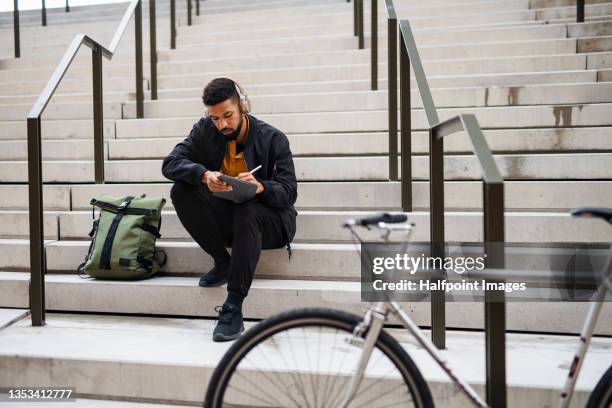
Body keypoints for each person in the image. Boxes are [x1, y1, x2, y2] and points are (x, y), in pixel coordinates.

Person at [161, 78, 298, 342]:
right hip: (231, 219)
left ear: (243, 107)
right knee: (181, 190)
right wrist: (203, 174)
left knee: (247, 209)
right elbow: (170, 163)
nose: (222, 124)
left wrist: (260, 187)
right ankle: (223, 261)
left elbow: (289, 191)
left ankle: (233, 306)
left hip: (271, 222)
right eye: (215, 118)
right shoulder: (205, 130)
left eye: (228, 116)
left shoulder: (274, 138)